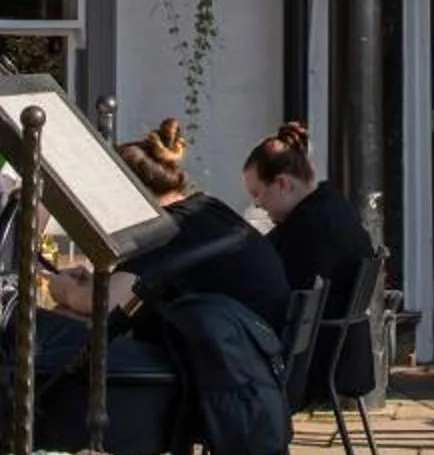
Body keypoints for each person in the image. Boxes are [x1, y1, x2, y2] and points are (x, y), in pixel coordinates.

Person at [52, 117, 293, 335]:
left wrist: (65, 289)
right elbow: (132, 288)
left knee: (57, 338)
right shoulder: (205, 208)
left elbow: (104, 304)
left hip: (229, 364)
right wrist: (96, 284)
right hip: (249, 354)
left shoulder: (163, 229)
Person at [240, 120, 377, 405]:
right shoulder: (330, 206)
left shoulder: (311, 228)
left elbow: (280, 297)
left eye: (257, 194)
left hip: (313, 363)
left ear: (282, 184)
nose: (258, 205)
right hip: (343, 354)